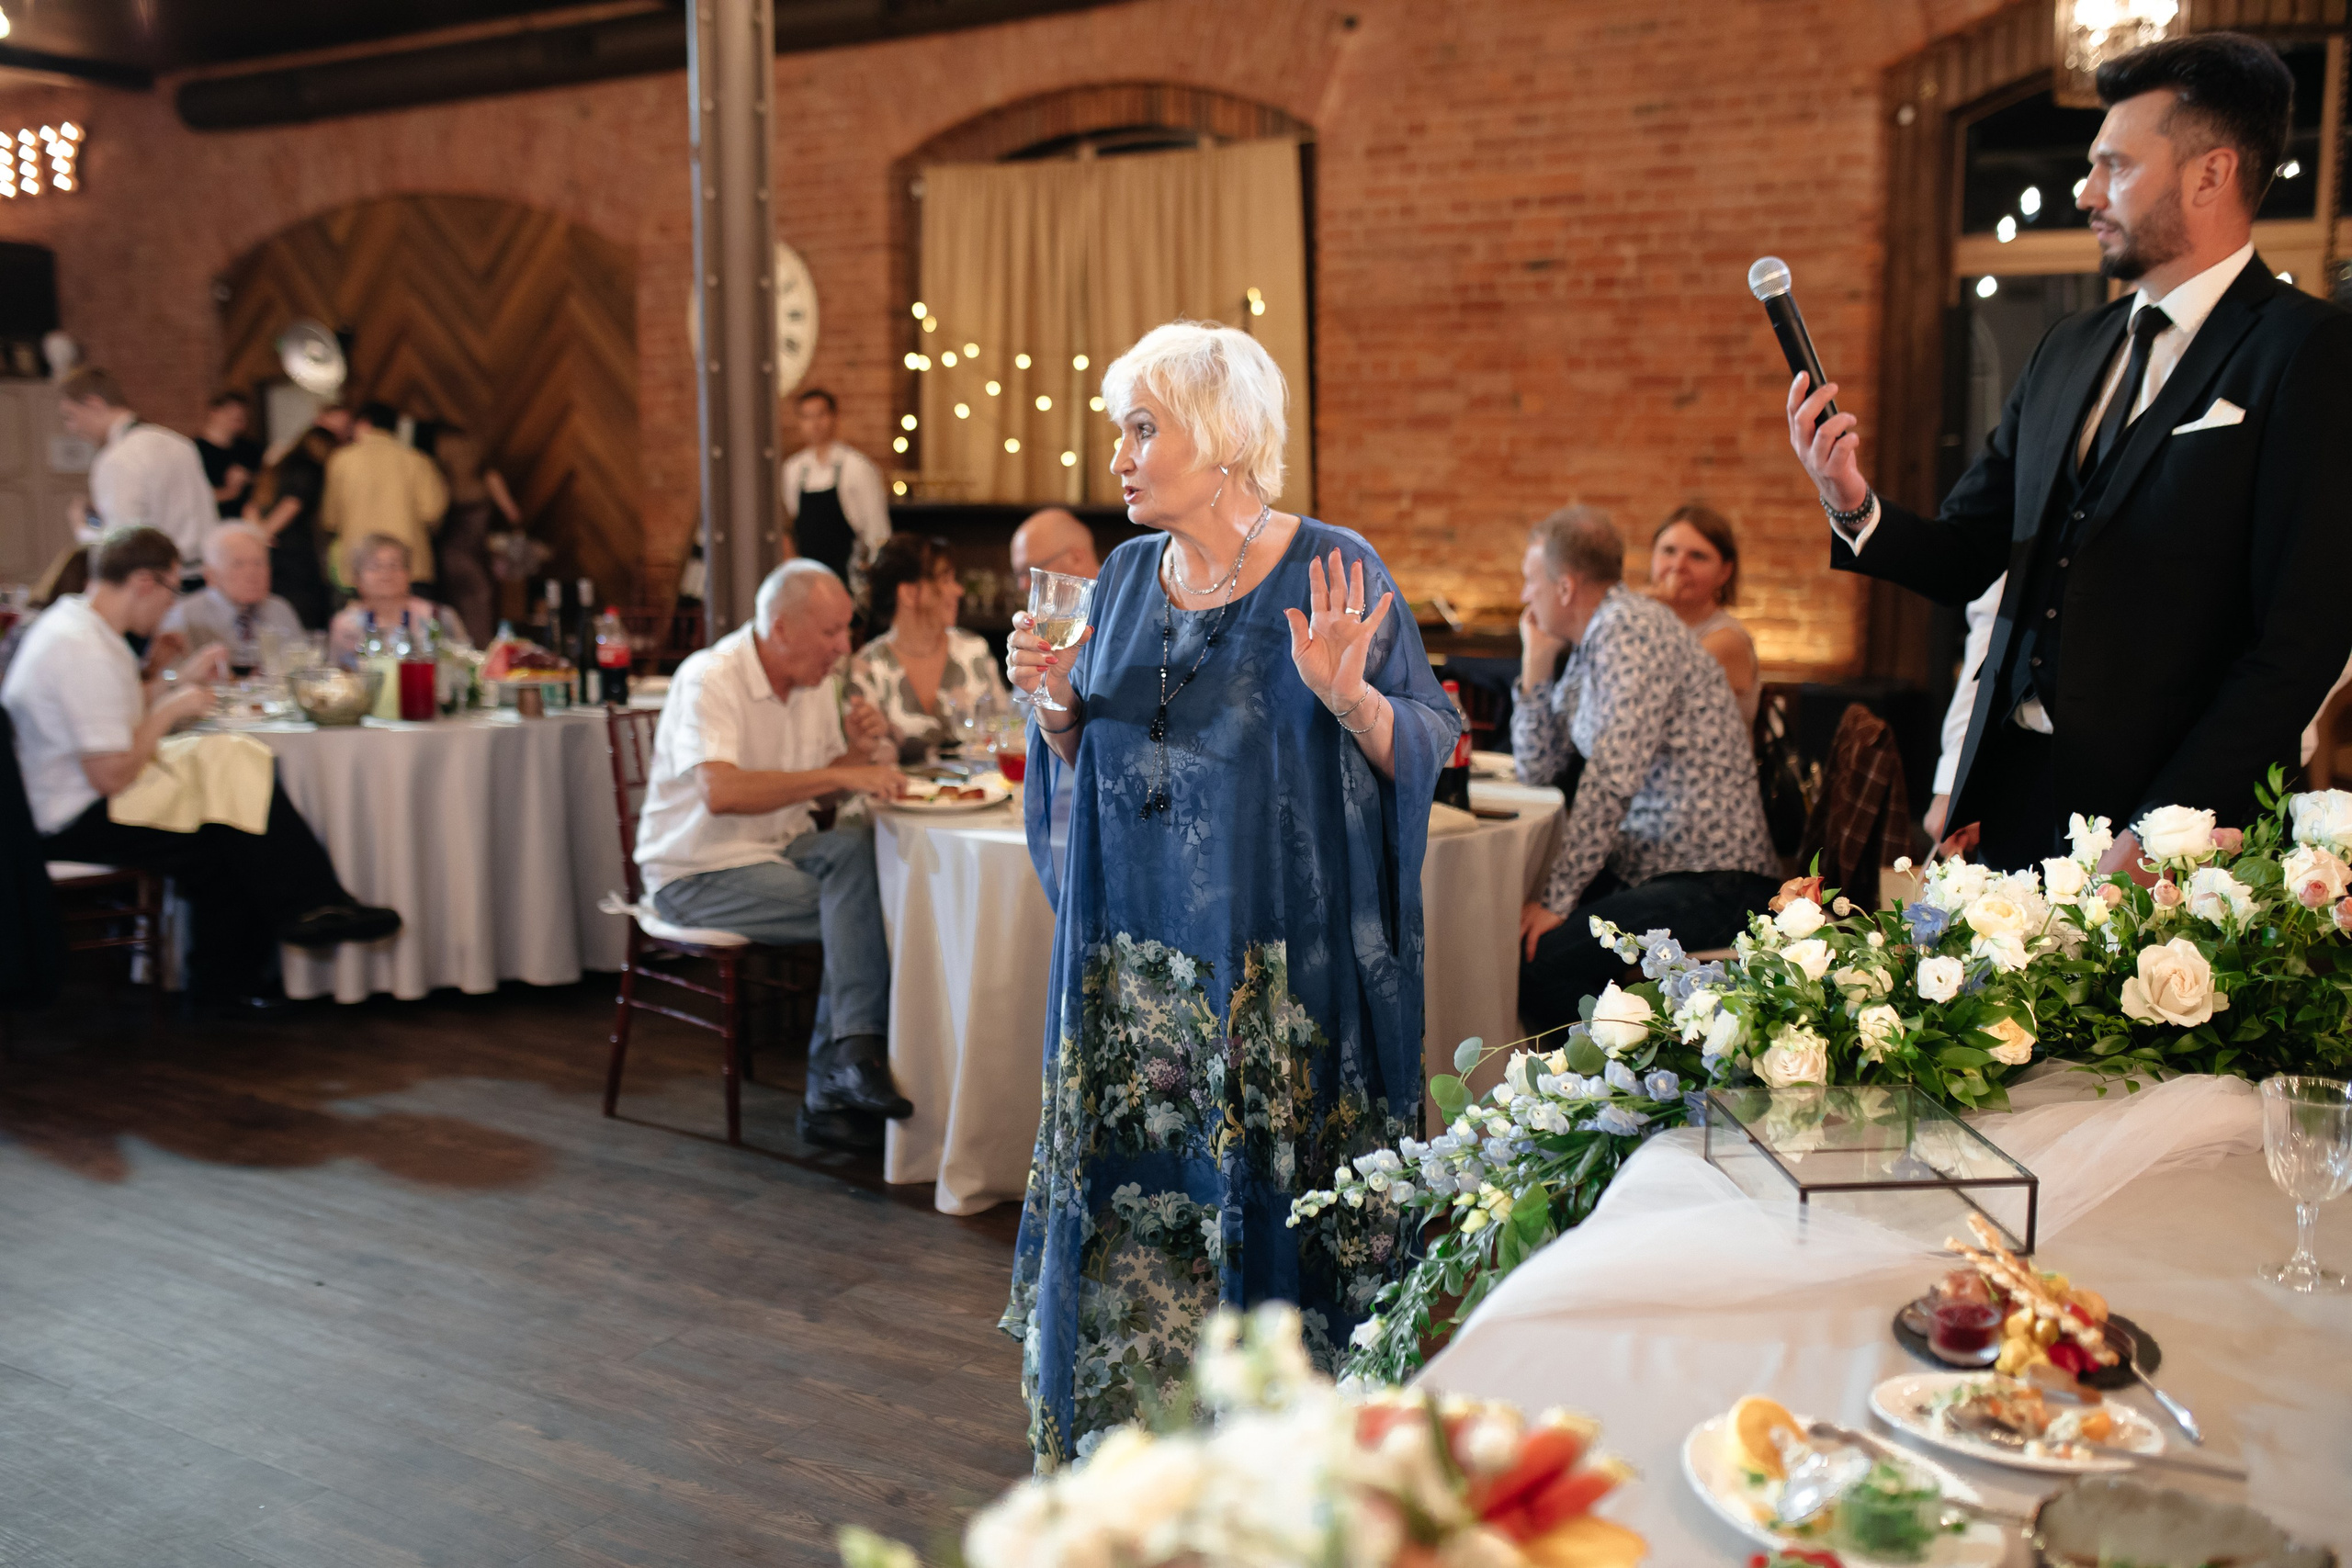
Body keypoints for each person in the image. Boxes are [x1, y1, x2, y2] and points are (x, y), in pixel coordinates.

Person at [1001, 321, 1458, 1466]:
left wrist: (1352, 699)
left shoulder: (1333, 567)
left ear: (1222, 439)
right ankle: (1136, 1449)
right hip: (1134, 984)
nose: (1119, 453)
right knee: (1141, 1214)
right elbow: (1088, 756)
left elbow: (1427, 743)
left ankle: (1279, 1453)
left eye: (1143, 428)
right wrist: (1052, 704)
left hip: (1274, 985)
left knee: (1267, 1214)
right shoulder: (1115, 577)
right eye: (1121, 429)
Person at [1789, 32, 2352, 874]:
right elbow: (1965, 552)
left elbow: (2300, 646)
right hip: (2012, 799)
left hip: (2173, 828)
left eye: (2115, 167)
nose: (2086, 190)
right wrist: (1849, 498)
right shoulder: (2069, 348)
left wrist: (2164, 827)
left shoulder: (2308, 351)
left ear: (2212, 174)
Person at [2, 526, 401, 1010]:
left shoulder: (79, 626)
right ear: (145, 582)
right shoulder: (82, 648)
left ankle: (300, 918)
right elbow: (109, 774)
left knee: (233, 765)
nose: (170, 607)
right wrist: (171, 708)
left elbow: (114, 713)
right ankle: (250, 964)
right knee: (226, 834)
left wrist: (173, 683)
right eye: (172, 590)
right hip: (65, 816)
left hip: (66, 796)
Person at [633, 559, 910, 1153]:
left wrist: (858, 755)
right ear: (780, 627)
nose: (844, 648)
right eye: (831, 633)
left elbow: (821, 785)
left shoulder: (814, 681)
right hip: (696, 869)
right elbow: (722, 792)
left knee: (859, 851)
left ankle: (845, 1064)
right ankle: (833, 1084)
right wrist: (843, 772)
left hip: (778, 849)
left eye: (846, 631)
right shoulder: (710, 676)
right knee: (862, 910)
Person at [1512, 505, 1779, 1042]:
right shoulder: (1599, 638)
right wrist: (1536, 665)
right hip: (1658, 868)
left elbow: (1612, 777)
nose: (1525, 597)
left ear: (1564, 588)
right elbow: (1537, 766)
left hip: (1715, 879)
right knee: (1519, 941)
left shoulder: (1629, 631)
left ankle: (1622, 1098)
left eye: (1530, 581)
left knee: (1543, 964)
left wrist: (1557, 899)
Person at [846, 535, 1009, 761]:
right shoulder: (867, 668)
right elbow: (864, 759)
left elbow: (1006, 733)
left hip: (981, 792)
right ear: (909, 593)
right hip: (899, 795)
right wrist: (885, 737)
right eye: (945, 580)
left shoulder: (974, 652)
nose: (959, 591)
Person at [57, 367, 216, 586]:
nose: (71, 428)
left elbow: (121, 548)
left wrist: (83, 528)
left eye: (71, 416)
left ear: (94, 404)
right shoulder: (179, 442)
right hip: (205, 577)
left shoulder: (116, 458)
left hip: (161, 586)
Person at [1646, 503, 1759, 725]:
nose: (1678, 565)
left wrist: (1644, 601)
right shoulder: (1652, 625)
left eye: (1697, 556)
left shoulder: (1728, 640)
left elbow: (1653, 700)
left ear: (1725, 572)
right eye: (1669, 551)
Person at [321, 401, 448, 592]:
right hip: (408, 565)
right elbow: (432, 511)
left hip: (360, 566)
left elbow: (330, 519)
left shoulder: (341, 460)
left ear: (364, 424)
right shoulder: (416, 460)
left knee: (360, 622)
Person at [158, 523, 304, 675]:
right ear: (211, 576)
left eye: (259, 563)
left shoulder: (279, 610)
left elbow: (302, 669)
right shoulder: (185, 615)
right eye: (238, 564)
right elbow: (170, 678)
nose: (252, 574)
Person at [781, 389, 889, 589]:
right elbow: (793, 521)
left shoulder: (858, 467)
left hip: (848, 576)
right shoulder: (792, 470)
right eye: (807, 417)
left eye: (820, 415)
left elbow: (877, 532)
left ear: (834, 417)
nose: (815, 424)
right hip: (808, 579)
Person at [433, 426, 519, 647]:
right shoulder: (482, 481)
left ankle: (472, 649)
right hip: (472, 555)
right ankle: (479, 648)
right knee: (478, 598)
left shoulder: (442, 483)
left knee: (465, 601)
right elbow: (511, 511)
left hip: (452, 555)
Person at [244, 425, 337, 630]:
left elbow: (252, 506)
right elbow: (292, 504)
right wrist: (263, 535)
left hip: (270, 554)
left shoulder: (276, 467)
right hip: (295, 557)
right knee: (302, 620)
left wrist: (255, 536)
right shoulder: (309, 468)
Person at [326, 536, 467, 662]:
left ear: (408, 574)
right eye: (375, 567)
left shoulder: (439, 617)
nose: (386, 573)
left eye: (394, 565)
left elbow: (464, 665)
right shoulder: (345, 625)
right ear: (357, 579)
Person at [194, 391, 264, 521]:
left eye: (241, 417)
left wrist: (247, 478)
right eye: (230, 414)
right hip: (210, 521)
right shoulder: (194, 450)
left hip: (246, 520)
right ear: (214, 412)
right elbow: (191, 495)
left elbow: (266, 483)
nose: (238, 419)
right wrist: (229, 491)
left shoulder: (250, 449)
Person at [1009, 507, 1101, 592]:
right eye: (1019, 574)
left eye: (1031, 571)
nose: (1023, 585)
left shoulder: (1113, 602)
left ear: (1076, 559)